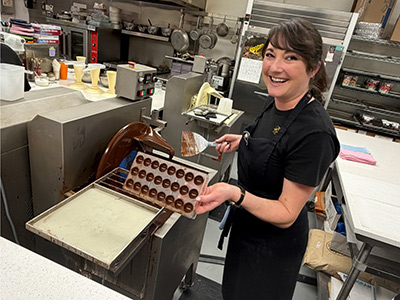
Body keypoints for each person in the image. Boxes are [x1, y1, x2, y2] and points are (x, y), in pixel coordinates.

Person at [195, 18, 340, 300]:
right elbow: (273, 144)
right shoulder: (277, 101)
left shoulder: (314, 133)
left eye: (291, 57)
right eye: (270, 54)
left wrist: (233, 193)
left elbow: (287, 214)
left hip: (272, 247)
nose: (275, 67)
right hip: (247, 228)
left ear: (313, 68)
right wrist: (243, 142)